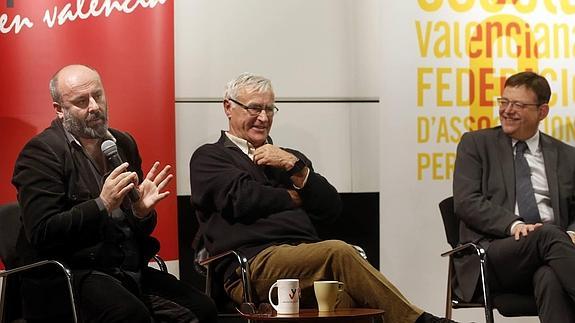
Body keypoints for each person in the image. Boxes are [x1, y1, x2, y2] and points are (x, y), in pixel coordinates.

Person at [189, 72, 457, 323]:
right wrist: (294, 198)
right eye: (254, 108)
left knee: (350, 300)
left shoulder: (287, 159)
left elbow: (331, 208)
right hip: (252, 265)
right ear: (228, 107)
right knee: (339, 251)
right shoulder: (210, 157)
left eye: (269, 109)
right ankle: (420, 321)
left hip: (306, 260)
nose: (263, 117)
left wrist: (295, 166)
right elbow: (242, 199)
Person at [12, 64, 217, 323]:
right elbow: (42, 232)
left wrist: (141, 213)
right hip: (71, 272)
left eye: (98, 95)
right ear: (59, 110)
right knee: (130, 315)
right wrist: (101, 204)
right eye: (81, 101)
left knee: (203, 308)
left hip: (125, 268)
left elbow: (136, 230)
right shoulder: (42, 153)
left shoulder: (121, 144)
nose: (94, 106)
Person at [453, 71, 575, 322]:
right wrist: (514, 224)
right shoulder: (476, 144)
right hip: (495, 253)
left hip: (554, 254)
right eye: (503, 102)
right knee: (549, 234)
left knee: (549, 277)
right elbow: (466, 201)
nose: (507, 110)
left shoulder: (565, 155)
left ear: (542, 112)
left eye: (518, 104)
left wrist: (572, 233)